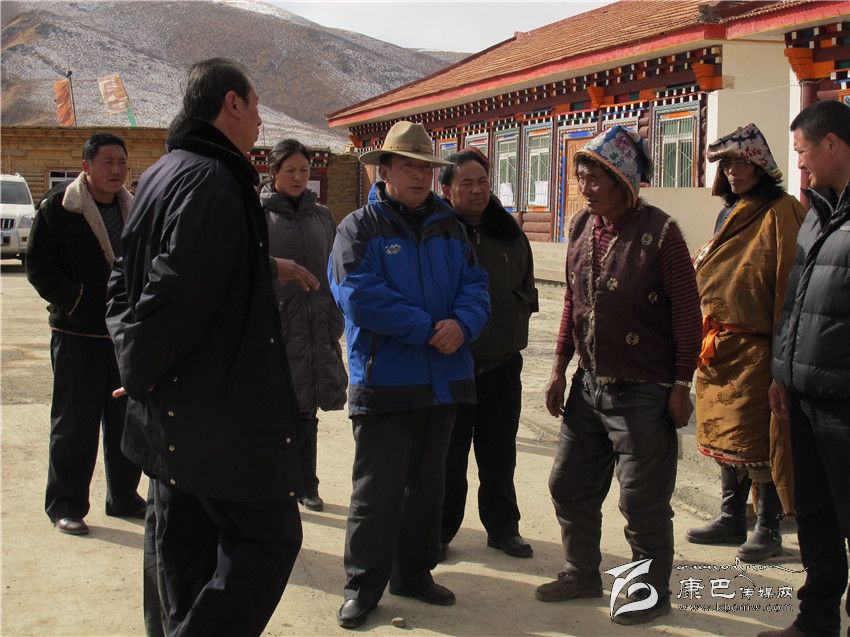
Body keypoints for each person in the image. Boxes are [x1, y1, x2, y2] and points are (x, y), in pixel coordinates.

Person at [106, 58, 319, 636]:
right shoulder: (213, 181)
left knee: (184, 558)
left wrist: (136, 363)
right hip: (213, 413)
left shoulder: (164, 172)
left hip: (172, 414)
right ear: (232, 104)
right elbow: (176, 291)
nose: (259, 120)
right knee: (270, 536)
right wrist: (140, 366)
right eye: (256, 105)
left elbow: (123, 281)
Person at [329, 120, 490, 629]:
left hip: (441, 381)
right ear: (385, 171)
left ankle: (414, 575)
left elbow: (476, 286)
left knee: (427, 488)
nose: (420, 176)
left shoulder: (450, 227)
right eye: (408, 166)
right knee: (376, 493)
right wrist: (427, 329)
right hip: (385, 380)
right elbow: (356, 294)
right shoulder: (359, 228)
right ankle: (362, 587)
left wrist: (462, 325)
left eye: (426, 167)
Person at [539, 125, 702, 625]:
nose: (585, 188)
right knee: (569, 483)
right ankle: (581, 572)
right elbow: (573, 300)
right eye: (580, 177)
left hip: (644, 392)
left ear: (623, 181)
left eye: (595, 179)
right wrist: (559, 367)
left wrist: (681, 385)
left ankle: (648, 594)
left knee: (642, 501)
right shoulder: (581, 226)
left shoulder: (662, 233)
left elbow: (687, 315)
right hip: (589, 387)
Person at [687, 124, 806, 563]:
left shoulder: (782, 211)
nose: (733, 171)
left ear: (761, 166)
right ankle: (730, 516)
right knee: (725, 434)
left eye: (741, 163)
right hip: (720, 344)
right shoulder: (729, 213)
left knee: (760, 438)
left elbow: (787, 282)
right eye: (727, 165)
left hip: (759, 347)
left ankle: (768, 527)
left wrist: (783, 353)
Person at [759, 99, 850, 637]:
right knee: (814, 515)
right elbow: (793, 300)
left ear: (832, 144)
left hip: (844, 402)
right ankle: (815, 620)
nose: (798, 163)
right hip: (803, 393)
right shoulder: (816, 211)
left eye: (802, 150)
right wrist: (781, 373)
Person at [26, 131, 144, 535]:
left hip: (124, 336)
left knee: (125, 421)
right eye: (107, 161)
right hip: (77, 335)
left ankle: (124, 497)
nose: (116, 170)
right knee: (74, 425)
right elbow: (39, 266)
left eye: (121, 162)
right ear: (86, 166)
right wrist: (75, 301)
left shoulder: (136, 209)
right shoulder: (59, 208)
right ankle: (66, 504)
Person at [437, 149, 538, 560]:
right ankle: (440, 531)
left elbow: (524, 286)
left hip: (501, 363)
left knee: (499, 454)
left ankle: (503, 528)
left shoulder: (509, 233)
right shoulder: (437, 232)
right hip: (451, 364)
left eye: (482, 181)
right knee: (448, 456)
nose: (477, 190)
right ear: (447, 189)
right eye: (467, 183)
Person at [260, 138, 347, 512]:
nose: (298, 177)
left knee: (307, 409)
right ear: (273, 172)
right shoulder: (258, 214)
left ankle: (307, 484)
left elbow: (335, 269)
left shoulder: (322, 216)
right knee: (276, 410)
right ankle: (274, 483)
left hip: (315, 324)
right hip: (276, 326)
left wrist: (335, 316)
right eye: (290, 170)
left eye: (304, 170)